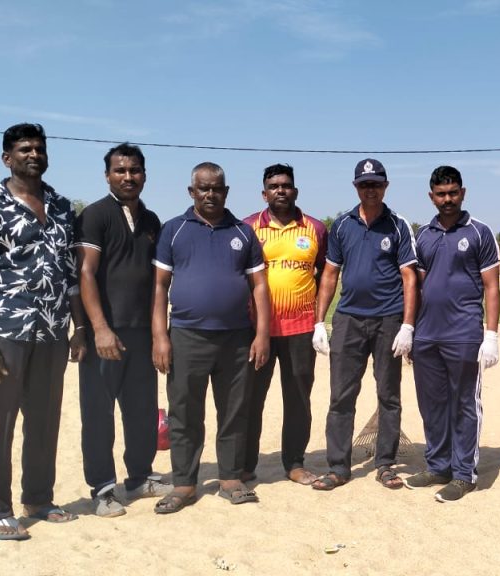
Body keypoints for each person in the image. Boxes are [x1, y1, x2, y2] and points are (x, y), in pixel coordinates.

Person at [0, 123, 87, 540]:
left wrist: (79, 327)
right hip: (7, 332)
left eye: (39, 148)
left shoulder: (61, 206)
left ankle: (38, 498)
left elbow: (70, 275)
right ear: (7, 158)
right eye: (24, 149)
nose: (34, 154)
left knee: (44, 420)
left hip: (52, 332)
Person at [150, 162, 270, 514]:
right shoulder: (174, 230)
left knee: (234, 410)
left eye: (217, 188)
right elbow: (159, 286)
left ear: (226, 192)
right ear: (192, 192)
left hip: (236, 338)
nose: (210, 194)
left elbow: (259, 286)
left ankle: (231, 478)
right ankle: (184, 483)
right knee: (185, 411)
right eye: (203, 188)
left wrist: (262, 334)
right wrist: (160, 336)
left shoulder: (243, 232)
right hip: (186, 335)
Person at [75, 143, 172, 518]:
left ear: (144, 175)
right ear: (107, 176)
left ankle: (139, 477)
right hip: (106, 335)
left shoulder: (151, 221)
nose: (128, 177)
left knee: (142, 411)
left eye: (134, 170)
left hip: (141, 333)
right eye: (120, 170)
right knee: (98, 415)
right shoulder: (94, 215)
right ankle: (102, 488)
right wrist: (99, 328)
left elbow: (158, 282)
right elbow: (85, 273)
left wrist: (158, 334)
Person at [311, 158, 418, 491]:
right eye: (364, 184)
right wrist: (319, 321)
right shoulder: (342, 225)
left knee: (389, 395)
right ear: (356, 187)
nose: (370, 190)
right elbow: (330, 274)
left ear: (385, 186)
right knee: (341, 396)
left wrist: (408, 326)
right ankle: (338, 467)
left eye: (376, 184)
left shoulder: (398, 225)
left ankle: (385, 463)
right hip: (349, 319)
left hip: (388, 319)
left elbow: (409, 276)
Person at [406, 166, 500, 502]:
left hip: (464, 332)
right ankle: (438, 466)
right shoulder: (423, 235)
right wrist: (410, 328)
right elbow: (416, 285)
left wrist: (491, 335)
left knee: (464, 404)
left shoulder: (479, 232)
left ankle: (463, 474)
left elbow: (492, 286)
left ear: (463, 193)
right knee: (432, 404)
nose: (448, 199)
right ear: (431, 197)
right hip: (427, 333)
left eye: (453, 193)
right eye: (441, 194)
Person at [243, 163, 327, 486]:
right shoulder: (248, 227)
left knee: (298, 400)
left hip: (301, 329)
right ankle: (245, 464)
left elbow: (326, 274)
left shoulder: (315, 228)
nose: (281, 190)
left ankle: (294, 463)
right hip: (258, 331)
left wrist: (319, 321)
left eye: (286, 185)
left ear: (295, 191)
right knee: (251, 399)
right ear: (264, 194)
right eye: (274, 186)